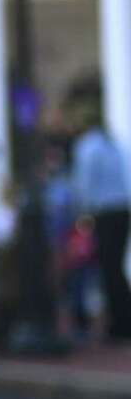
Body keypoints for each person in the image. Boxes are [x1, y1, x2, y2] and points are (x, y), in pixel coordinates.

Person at [70, 101, 131, 341]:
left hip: (103, 213)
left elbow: (84, 186)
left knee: (108, 270)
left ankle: (117, 325)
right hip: (122, 211)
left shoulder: (87, 147)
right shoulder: (114, 145)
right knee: (116, 268)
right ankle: (123, 321)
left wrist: (81, 214)